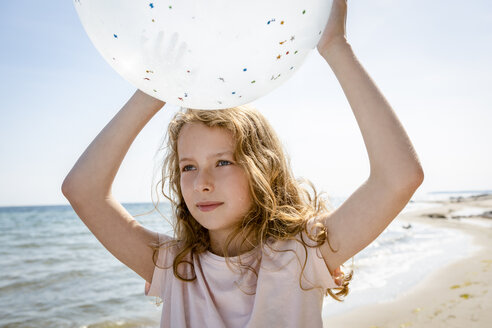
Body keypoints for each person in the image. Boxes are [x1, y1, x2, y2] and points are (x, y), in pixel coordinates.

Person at [62, 0, 424, 327]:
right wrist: (155, 89)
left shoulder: (304, 255)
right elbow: (82, 191)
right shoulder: (174, 266)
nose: (202, 182)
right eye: (188, 167)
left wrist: (335, 47)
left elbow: (399, 177)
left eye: (222, 162)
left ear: (263, 169)